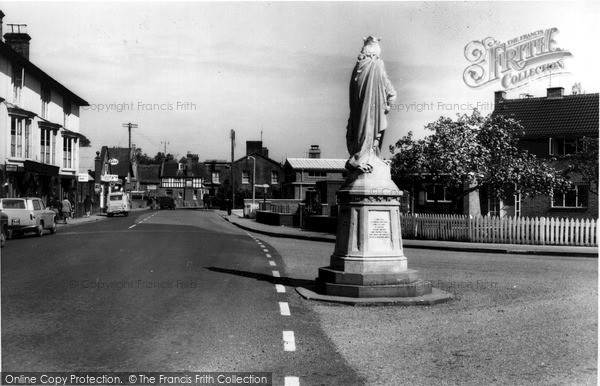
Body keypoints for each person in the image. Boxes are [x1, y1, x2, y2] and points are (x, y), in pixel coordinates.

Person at [345, 36, 397, 173]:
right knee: (373, 133)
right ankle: (368, 158)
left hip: (358, 115)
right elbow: (389, 89)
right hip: (374, 112)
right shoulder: (377, 64)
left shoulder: (358, 67)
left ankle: (360, 158)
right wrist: (390, 102)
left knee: (361, 133)